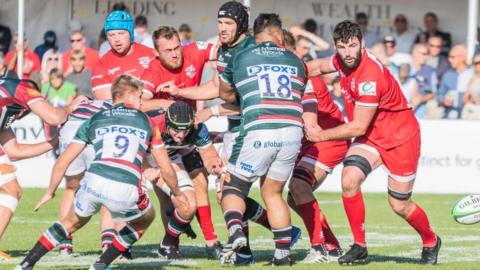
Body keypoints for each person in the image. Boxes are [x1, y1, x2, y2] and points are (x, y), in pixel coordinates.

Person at [159, 2, 301, 265]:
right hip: (247, 127)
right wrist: (181, 91)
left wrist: (211, 113)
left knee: (230, 190)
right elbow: (215, 86)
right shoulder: (224, 49)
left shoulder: (250, 49)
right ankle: (265, 243)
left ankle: (248, 244)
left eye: (228, 24)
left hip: (250, 128)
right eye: (220, 23)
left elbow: (240, 99)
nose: (222, 29)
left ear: (241, 26)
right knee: (247, 191)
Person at [15, 74, 187, 270]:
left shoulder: (95, 119)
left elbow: (63, 162)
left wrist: (50, 192)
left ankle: (25, 265)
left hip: (92, 184)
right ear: (129, 95)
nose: (142, 101)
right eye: (140, 96)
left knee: (69, 222)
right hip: (125, 187)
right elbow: (166, 169)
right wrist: (178, 194)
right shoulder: (147, 121)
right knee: (146, 218)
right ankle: (101, 264)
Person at [306, 20, 441, 265]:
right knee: (349, 179)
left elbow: (357, 127)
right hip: (371, 137)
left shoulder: (370, 75)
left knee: (399, 205)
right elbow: (314, 67)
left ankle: (431, 240)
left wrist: (319, 135)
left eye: (352, 46)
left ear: (362, 44)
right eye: (342, 46)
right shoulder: (341, 60)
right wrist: (286, 69)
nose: (347, 52)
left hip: (400, 138)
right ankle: (360, 246)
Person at [219, 13, 307, 266]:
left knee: (233, 186)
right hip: (292, 130)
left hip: (260, 127)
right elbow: (297, 90)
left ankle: (235, 230)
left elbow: (224, 92)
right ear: (279, 34)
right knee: (273, 192)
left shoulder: (240, 56)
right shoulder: (296, 60)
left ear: (254, 36)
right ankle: (282, 254)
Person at [141, 26, 223, 258]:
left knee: (201, 180)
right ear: (157, 53)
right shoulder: (152, 72)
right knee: (175, 198)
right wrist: (168, 104)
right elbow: (140, 104)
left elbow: (223, 49)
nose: (175, 54)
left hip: (188, 131)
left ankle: (211, 241)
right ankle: (170, 243)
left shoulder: (195, 51)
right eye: (168, 51)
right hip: (160, 142)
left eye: (177, 47)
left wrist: (221, 66)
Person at [283, 32, 348, 263]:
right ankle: (331, 245)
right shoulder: (290, 71)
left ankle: (318, 248)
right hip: (312, 140)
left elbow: (309, 117)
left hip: (326, 138)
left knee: (299, 185)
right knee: (295, 197)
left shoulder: (300, 73)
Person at [0, 77, 82, 260]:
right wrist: (71, 107)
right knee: (10, 191)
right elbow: (54, 117)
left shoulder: (5, 108)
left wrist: (53, 143)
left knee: (11, 190)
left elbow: (14, 151)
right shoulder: (23, 88)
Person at [145, 101, 223, 259]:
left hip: (174, 155)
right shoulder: (150, 124)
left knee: (194, 193)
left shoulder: (197, 127)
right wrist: (146, 169)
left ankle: (208, 240)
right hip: (148, 157)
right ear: (167, 122)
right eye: (176, 130)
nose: (180, 135)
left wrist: (218, 169)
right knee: (170, 200)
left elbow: (209, 158)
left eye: (185, 130)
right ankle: (171, 243)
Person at [55, 99, 112, 256]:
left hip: (70, 129)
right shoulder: (120, 102)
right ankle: (108, 243)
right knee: (107, 187)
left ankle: (64, 244)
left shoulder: (82, 100)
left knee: (71, 188)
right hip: (95, 128)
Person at [92, 10, 155, 100]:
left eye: (121, 33)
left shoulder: (152, 55)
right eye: (111, 35)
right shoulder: (101, 65)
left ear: (130, 33)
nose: (116, 39)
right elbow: (108, 104)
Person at [437, 45, 473, 119]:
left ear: (462, 57)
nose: (449, 60)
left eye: (452, 57)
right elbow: (440, 93)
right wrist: (443, 100)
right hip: (451, 111)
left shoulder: (473, 72)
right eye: (449, 57)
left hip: (471, 111)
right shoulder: (447, 75)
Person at [409, 44, 438, 118]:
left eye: (427, 54)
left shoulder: (430, 71)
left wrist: (421, 99)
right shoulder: (405, 68)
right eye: (423, 54)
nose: (426, 57)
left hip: (421, 108)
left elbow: (434, 93)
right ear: (414, 53)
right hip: (403, 102)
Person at [462, 53, 480, 120]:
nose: (478, 65)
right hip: (473, 108)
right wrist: (472, 101)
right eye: (476, 63)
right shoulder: (472, 80)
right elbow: (465, 99)